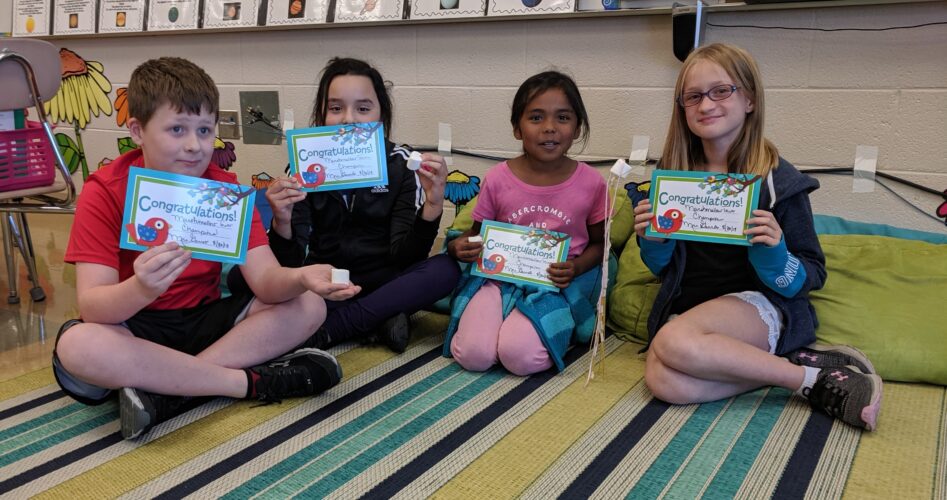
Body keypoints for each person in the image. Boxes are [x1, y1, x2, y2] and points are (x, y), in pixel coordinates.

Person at [52, 57, 360, 440]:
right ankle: (248, 383)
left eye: (204, 130)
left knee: (309, 304)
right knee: (78, 344)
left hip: (204, 322)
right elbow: (94, 307)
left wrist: (301, 277)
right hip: (135, 326)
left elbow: (266, 282)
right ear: (137, 131)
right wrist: (141, 288)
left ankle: (167, 391)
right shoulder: (104, 191)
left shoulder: (226, 190)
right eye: (176, 129)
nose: (195, 146)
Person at [633, 43, 882, 430]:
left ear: (749, 99)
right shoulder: (674, 175)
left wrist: (775, 255)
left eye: (721, 91)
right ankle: (789, 365)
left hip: (761, 306)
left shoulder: (778, 180)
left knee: (670, 341)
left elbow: (811, 274)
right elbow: (661, 267)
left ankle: (811, 382)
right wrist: (653, 241)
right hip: (695, 312)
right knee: (664, 382)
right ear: (681, 108)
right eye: (693, 96)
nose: (706, 105)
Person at [256, 57, 460, 353]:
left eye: (363, 109)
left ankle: (331, 330)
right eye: (335, 108)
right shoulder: (304, 167)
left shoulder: (402, 165)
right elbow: (287, 265)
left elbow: (407, 257)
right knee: (245, 281)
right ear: (322, 113)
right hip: (325, 283)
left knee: (445, 269)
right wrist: (281, 221)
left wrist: (434, 202)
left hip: (385, 281)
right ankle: (381, 317)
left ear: (381, 114)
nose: (348, 119)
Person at [445, 71, 607, 376]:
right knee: (474, 356)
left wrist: (575, 268)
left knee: (520, 358)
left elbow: (601, 244)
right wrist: (457, 247)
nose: (549, 128)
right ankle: (503, 324)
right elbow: (478, 236)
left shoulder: (592, 183)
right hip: (497, 281)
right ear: (517, 129)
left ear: (577, 128)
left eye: (562, 117)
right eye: (536, 117)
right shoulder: (497, 179)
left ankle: (552, 332)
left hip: (554, 287)